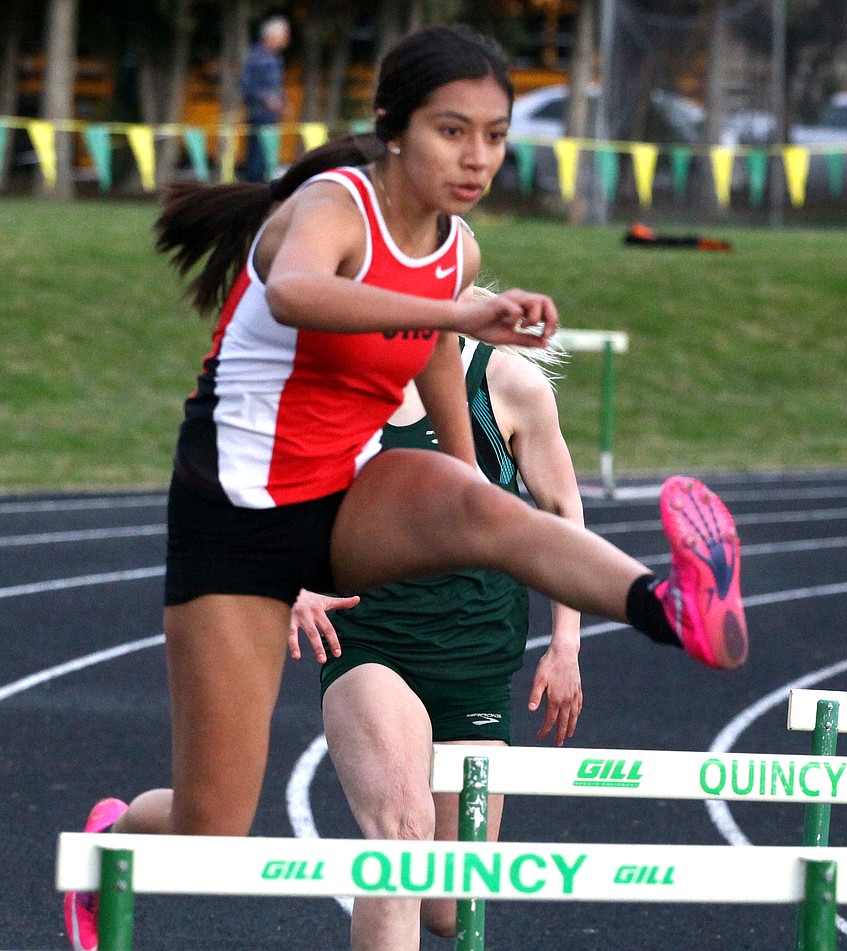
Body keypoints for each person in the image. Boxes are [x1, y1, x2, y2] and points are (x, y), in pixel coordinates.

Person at [63, 24, 747, 951]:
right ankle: (114, 841)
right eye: (452, 131)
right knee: (213, 828)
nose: (477, 158)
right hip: (237, 519)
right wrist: (455, 310)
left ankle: (672, 606)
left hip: (342, 501)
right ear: (393, 127)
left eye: (496, 135)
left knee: (487, 509)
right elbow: (302, 291)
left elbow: (431, 356)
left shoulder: (453, 249)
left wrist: (470, 494)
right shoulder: (334, 205)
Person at [290, 305, 586, 948]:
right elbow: (269, 495)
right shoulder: (337, 385)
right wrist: (292, 586)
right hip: (370, 644)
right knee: (400, 837)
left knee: (450, 907)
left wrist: (566, 644)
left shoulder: (506, 385)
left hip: (478, 657)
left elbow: (562, 510)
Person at [239, 15, 291, 183]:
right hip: (258, 116)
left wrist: (284, 101)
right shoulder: (255, 56)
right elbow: (246, 85)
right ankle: (253, 193)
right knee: (256, 161)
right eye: (284, 35)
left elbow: (276, 87)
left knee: (268, 160)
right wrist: (267, 99)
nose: (286, 39)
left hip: (272, 117)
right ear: (271, 36)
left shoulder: (276, 59)